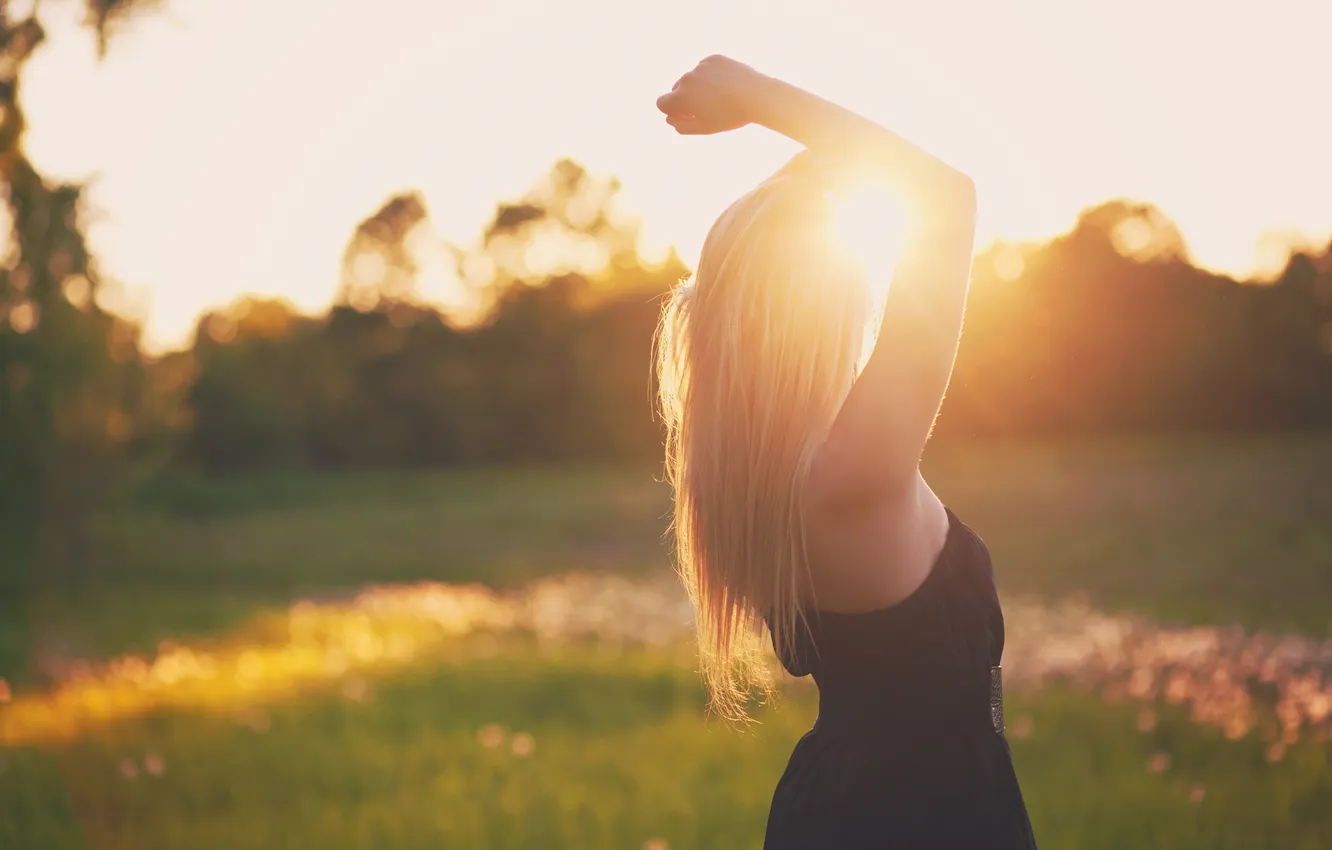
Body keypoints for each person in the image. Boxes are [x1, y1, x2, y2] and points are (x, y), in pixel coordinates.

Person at [654, 56, 1037, 848]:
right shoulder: (852, 473)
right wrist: (760, 100)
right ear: (823, 309)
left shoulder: (752, 480)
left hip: (848, 805)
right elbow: (946, 196)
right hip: (920, 820)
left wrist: (803, 166)